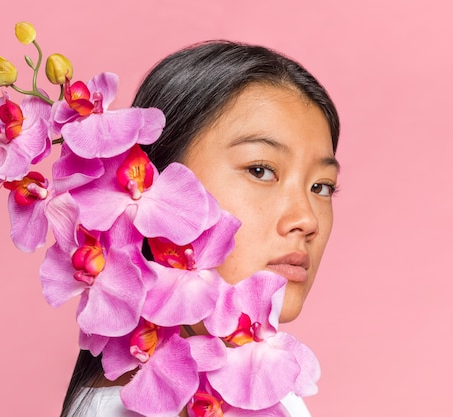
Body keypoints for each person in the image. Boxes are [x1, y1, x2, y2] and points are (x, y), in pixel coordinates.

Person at [60, 40, 340, 417]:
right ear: (157, 179)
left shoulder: (274, 394)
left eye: (321, 186)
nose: (307, 220)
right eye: (260, 170)